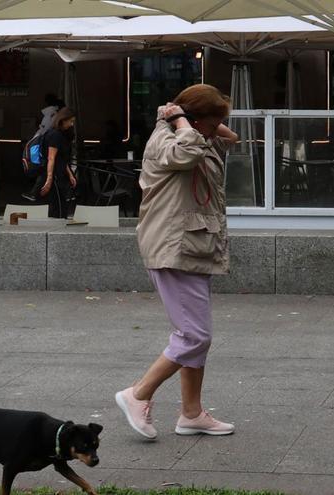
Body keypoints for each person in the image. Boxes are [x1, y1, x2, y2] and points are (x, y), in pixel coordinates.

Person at [115, 84, 240, 439]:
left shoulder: (195, 133)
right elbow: (186, 153)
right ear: (196, 119)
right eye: (213, 121)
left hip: (191, 246)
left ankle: (191, 413)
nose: (219, 128)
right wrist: (182, 121)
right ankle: (137, 394)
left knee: (193, 334)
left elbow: (232, 138)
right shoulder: (168, 141)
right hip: (174, 248)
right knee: (194, 335)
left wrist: (193, 119)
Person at [38, 107, 77, 218]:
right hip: (55, 176)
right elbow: (52, 158)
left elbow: (61, 158)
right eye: (71, 121)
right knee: (58, 206)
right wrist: (50, 179)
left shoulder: (60, 135)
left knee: (62, 205)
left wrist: (70, 175)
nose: (71, 124)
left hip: (60, 174)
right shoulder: (55, 135)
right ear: (63, 120)